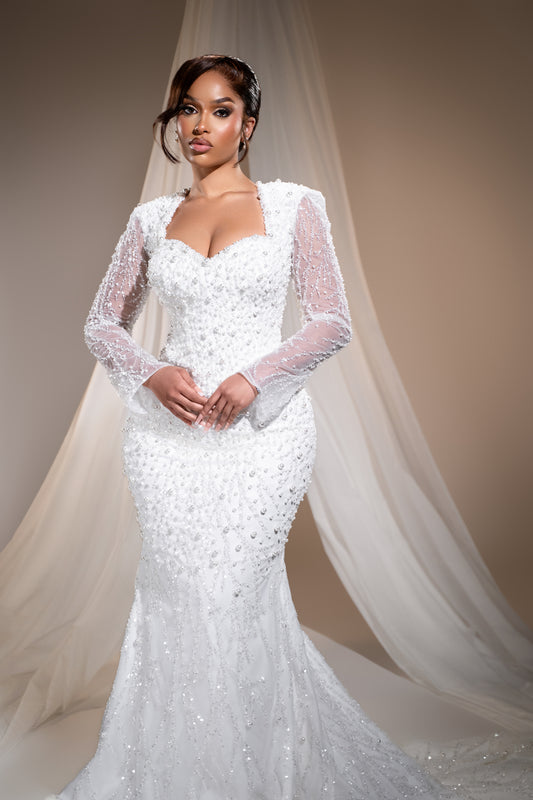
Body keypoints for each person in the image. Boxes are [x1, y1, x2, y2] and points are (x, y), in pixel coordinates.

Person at [47, 54, 461, 799]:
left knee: (235, 592)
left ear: (249, 123)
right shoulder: (151, 219)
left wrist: (255, 377)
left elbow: (331, 319)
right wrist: (151, 373)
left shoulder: (295, 206)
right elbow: (102, 323)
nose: (199, 125)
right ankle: (171, 772)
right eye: (187, 109)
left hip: (261, 438)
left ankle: (258, 773)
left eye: (220, 110)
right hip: (168, 440)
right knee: (177, 592)